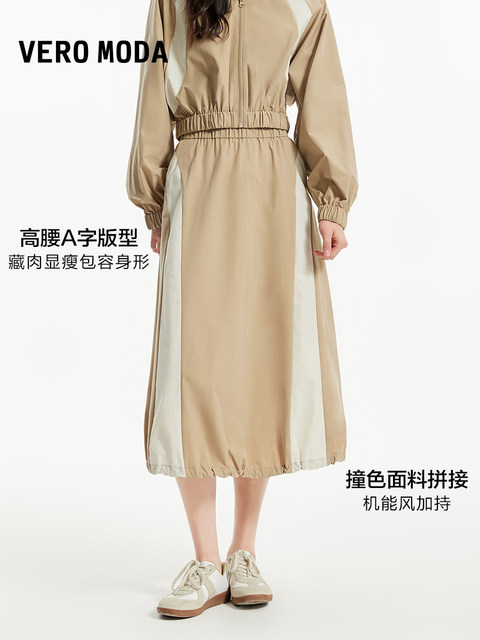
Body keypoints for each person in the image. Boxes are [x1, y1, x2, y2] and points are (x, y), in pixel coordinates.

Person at [126, 0, 358, 618]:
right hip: (198, 180)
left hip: (274, 184)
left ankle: (243, 552)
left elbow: (323, 95)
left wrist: (331, 204)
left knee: (262, 363)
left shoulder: (304, 2)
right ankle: (205, 561)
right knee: (193, 368)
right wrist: (154, 200)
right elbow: (153, 90)